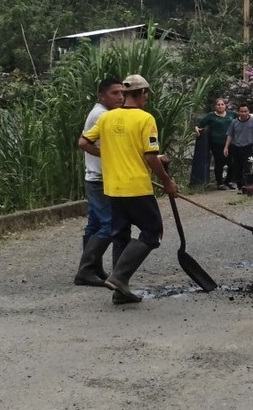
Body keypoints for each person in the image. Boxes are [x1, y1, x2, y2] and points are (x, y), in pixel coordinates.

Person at [76, 74, 180, 305]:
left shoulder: (107, 118)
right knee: (152, 233)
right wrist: (167, 182)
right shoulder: (145, 119)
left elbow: (83, 142)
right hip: (136, 187)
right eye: (146, 94)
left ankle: (120, 291)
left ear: (125, 94)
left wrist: (109, 156)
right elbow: (150, 156)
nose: (146, 99)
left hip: (113, 187)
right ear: (141, 93)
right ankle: (119, 276)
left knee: (120, 235)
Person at [73, 75, 127, 287]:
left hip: (96, 176)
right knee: (110, 224)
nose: (120, 97)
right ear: (101, 96)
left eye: (122, 92)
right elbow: (84, 143)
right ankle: (86, 270)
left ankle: (93, 268)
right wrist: (107, 156)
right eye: (115, 93)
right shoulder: (101, 115)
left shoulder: (104, 113)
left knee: (94, 225)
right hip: (99, 178)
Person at [225, 102, 253, 195]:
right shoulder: (234, 122)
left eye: (245, 111)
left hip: (248, 148)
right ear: (238, 112)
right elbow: (230, 135)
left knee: (248, 166)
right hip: (236, 148)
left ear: (248, 111)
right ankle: (240, 186)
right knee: (237, 168)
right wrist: (226, 147)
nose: (243, 113)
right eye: (241, 111)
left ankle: (247, 186)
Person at [195, 96, 233, 187]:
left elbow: (242, 117)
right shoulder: (211, 116)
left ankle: (228, 181)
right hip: (216, 143)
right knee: (219, 162)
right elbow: (200, 124)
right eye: (218, 104)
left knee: (232, 163)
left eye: (222, 104)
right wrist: (197, 129)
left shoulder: (231, 114)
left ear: (225, 106)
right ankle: (220, 183)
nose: (220, 106)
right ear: (215, 106)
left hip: (230, 143)